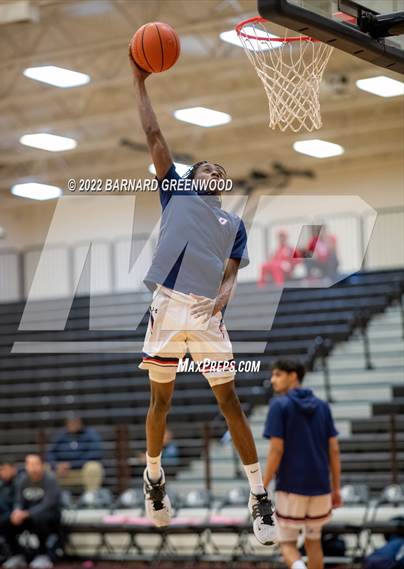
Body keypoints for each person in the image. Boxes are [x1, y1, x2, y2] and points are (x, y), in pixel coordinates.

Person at [129, 50, 276, 546]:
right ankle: (153, 477)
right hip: (168, 306)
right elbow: (153, 136)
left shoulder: (233, 225)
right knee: (161, 402)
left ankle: (259, 497)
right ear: (191, 180)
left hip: (207, 314)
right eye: (205, 165)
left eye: (220, 167)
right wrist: (139, 81)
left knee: (230, 401)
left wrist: (225, 297)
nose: (213, 167)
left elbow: (232, 273)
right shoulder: (175, 192)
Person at [262, 359, 342, 569]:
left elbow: (276, 450)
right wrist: (336, 488)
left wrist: (261, 485)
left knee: (287, 543)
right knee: (314, 542)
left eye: (278, 374)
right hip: (321, 488)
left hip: (291, 486)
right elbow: (334, 450)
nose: (272, 380)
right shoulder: (323, 406)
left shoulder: (279, 405)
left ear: (293, 376)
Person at [3, 454, 62, 569]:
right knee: (6, 520)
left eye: (36, 464)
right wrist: (16, 511)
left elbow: (47, 504)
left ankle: (43, 555)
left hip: (50, 516)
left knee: (40, 518)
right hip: (27, 515)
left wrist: (27, 513)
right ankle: (17, 554)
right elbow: (18, 500)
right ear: (26, 466)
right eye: (30, 464)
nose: (33, 467)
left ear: (41, 465)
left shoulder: (50, 480)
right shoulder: (22, 480)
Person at [46, 415, 104, 493]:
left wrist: (71, 464)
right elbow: (50, 453)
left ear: (80, 423)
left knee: (93, 467)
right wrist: (56, 465)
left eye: (75, 422)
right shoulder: (60, 435)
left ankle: (91, 497)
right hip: (62, 471)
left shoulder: (90, 434)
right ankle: (49, 498)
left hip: (82, 470)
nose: (73, 425)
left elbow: (96, 453)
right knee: (44, 468)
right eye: (70, 423)